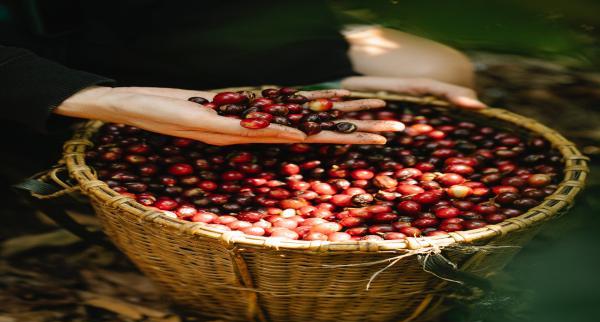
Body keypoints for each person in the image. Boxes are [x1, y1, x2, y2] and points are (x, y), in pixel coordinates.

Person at [0, 0, 484, 180]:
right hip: (24, 74)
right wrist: (94, 96)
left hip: (156, 55)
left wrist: (317, 73)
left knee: (438, 69)